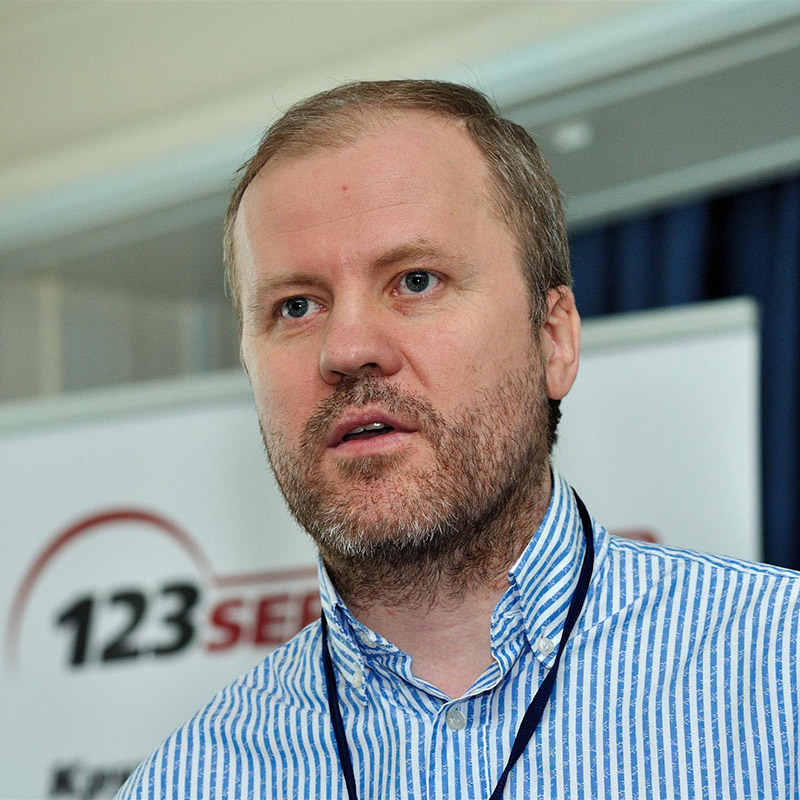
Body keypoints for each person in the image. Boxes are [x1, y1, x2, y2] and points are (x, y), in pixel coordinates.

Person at [117, 80, 800, 799]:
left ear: (553, 340)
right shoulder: (185, 784)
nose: (347, 349)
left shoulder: (779, 670)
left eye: (416, 280)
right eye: (296, 306)